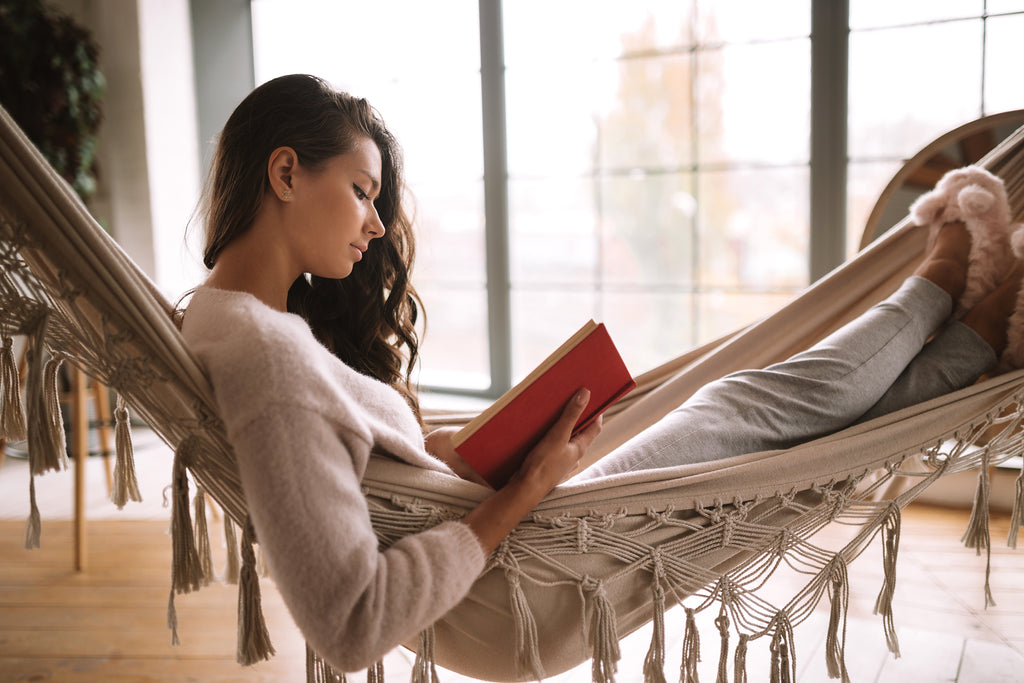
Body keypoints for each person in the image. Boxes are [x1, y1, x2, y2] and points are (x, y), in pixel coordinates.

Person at [180, 74, 1023, 672]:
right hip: (524, 569)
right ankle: (943, 267)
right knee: (751, 401)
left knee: (784, 416)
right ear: (287, 173)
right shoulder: (269, 356)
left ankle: (982, 330)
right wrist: (526, 486)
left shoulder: (232, 321)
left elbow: (351, 464)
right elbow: (351, 624)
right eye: (362, 191)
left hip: (511, 533)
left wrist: (462, 449)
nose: (374, 223)